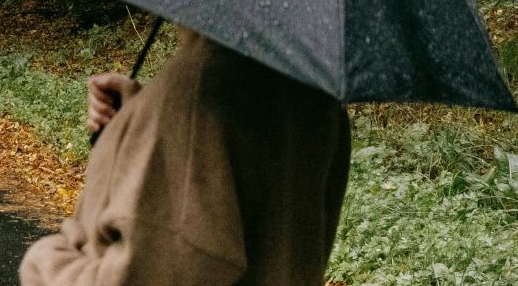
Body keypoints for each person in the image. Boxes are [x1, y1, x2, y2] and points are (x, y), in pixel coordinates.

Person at [18, 27, 350, 286]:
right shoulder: (316, 91)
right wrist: (137, 119)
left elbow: (158, 271)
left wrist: (46, 263)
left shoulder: (203, 85)